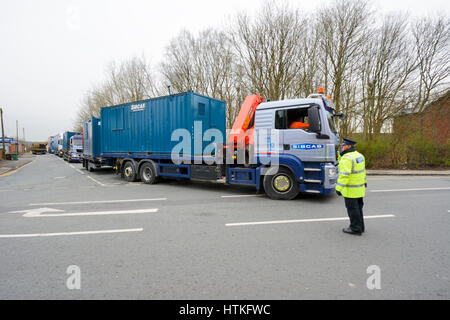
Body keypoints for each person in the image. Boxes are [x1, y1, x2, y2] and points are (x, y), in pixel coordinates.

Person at [335, 138, 367, 236]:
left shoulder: (347, 158)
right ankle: (361, 226)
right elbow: (362, 172)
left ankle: (355, 228)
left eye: (343, 146)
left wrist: (338, 188)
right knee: (358, 208)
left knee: (352, 209)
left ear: (349, 146)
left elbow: (344, 175)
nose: (341, 147)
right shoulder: (359, 155)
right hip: (359, 189)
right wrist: (364, 182)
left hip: (351, 190)